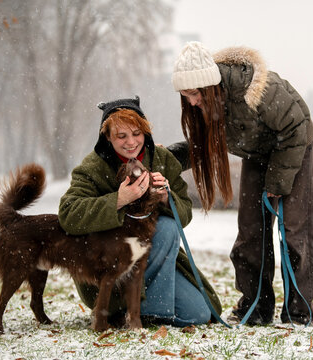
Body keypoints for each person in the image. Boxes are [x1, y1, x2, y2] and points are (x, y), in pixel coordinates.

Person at [168, 42, 313, 326]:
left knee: (295, 231)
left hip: (293, 146)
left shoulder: (258, 91)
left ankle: (299, 312)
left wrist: (278, 180)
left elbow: (297, 127)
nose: (191, 102)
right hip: (257, 154)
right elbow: (200, 146)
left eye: (193, 94)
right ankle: (256, 307)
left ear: (209, 86)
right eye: (185, 96)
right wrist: (161, 162)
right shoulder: (205, 104)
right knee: (251, 230)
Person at [58, 96, 221, 327]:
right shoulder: (92, 167)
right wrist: (118, 199)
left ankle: (141, 309)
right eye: (121, 136)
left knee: (198, 314)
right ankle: (141, 312)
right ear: (107, 137)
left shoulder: (162, 158)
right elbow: (68, 213)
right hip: (108, 269)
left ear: (145, 131)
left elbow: (185, 213)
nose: (131, 142)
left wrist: (167, 198)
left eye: (137, 133)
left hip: (152, 261)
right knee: (165, 227)